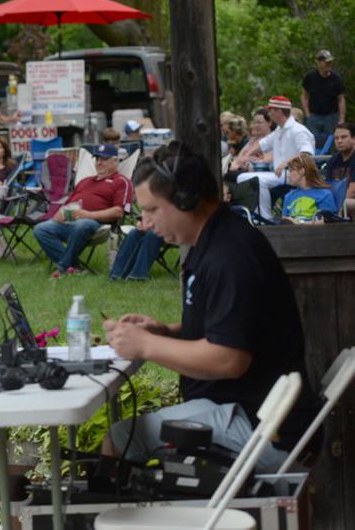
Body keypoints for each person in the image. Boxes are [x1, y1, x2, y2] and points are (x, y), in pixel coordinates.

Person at [102, 141, 319, 473]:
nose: (144, 223)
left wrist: (146, 345)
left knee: (120, 439)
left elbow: (229, 359)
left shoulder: (228, 255)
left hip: (264, 428)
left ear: (186, 200)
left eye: (151, 210)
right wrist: (165, 332)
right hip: (253, 412)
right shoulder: (216, 240)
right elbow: (231, 326)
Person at [32, 144, 130, 279]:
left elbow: (119, 212)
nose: (99, 163)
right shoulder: (85, 181)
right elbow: (67, 204)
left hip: (97, 224)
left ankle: (62, 268)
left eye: (104, 159)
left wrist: (88, 215)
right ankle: (74, 268)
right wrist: (61, 212)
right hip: (70, 221)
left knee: (82, 224)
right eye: (97, 159)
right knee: (41, 229)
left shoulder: (121, 181)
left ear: (115, 161)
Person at [235, 96, 314, 220]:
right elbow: (262, 144)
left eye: (271, 110)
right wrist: (246, 157)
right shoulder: (279, 130)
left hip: (296, 174)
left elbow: (307, 153)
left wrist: (285, 163)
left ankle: (265, 218)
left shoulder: (299, 130)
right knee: (241, 177)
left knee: (257, 180)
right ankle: (252, 215)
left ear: (279, 111)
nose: (269, 113)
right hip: (281, 174)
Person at [301, 49, 345, 148]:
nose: (329, 64)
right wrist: (307, 113)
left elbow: (341, 99)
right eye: (326, 62)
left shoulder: (336, 79)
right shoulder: (310, 77)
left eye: (330, 62)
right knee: (312, 142)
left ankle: (329, 163)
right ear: (319, 63)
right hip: (314, 116)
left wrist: (341, 118)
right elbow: (304, 95)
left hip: (331, 117)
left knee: (330, 144)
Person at [282, 154, 336, 223]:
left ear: (302, 171)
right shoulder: (289, 196)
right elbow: (284, 223)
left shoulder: (324, 195)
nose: (288, 176)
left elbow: (325, 223)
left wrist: (297, 223)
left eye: (291, 171)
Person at [323, 122, 355, 212]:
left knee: (345, 203)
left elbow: (353, 190)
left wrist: (339, 210)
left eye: (344, 137)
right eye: (336, 138)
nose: (339, 141)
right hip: (340, 201)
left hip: (350, 200)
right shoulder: (332, 160)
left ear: (353, 139)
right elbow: (328, 186)